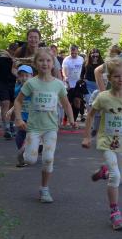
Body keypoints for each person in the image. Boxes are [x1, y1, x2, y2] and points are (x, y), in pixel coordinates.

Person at [82, 58, 122, 229]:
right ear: (109, 78)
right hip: (106, 142)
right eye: (117, 76)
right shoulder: (103, 97)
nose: (121, 79)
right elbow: (90, 115)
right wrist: (87, 137)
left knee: (121, 178)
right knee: (115, 177)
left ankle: (104, 171)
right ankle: (114, 212)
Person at [13, 49, 75, 203]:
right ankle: (24, 151)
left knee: (48, 159)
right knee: (30, 160)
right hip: (33, 127)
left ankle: (44, 189)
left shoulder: (58, 84)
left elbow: (66, 104)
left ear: (53, 63)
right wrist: (19, 119)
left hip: (51, 128)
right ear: (35, 64)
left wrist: (72, 120)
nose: (45, 64)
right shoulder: (31, 83)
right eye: (41, 60)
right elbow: (18, 101)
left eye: (48, 60)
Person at [0, 43, 18, 138]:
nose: (13, 53)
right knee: (5, 102)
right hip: (1, 83)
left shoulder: (18, 58)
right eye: (12, 51)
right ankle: (7, 128)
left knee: (13, 105)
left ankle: (11, 125)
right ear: (9, 49)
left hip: (14, 83)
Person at [9, 65, 33, 167]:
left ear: (31, 76)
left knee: (30, 136)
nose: (24, 78)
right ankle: (22, 152)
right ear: (18, 77)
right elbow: (17, 102)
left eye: (27, 76)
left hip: (33, 118)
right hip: (21, 117)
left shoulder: (34, 88)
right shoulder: (18, 89)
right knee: (20, 135)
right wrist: (11, 110)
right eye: (21, 76)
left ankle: (26, 152)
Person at [62, 44, 85, 121]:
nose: (74, 55)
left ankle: (74, 119)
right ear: (70, 51)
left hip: (78, 84)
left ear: (77, 51)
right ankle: (66, 117)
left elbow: (83, 69)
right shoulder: (66, 60)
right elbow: (64, 70)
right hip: (69, 84)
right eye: (72, 53)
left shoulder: (81, 59)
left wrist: (83, 79)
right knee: (69, 102)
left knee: (78, 102)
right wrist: (65, 77)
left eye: (75, 53)